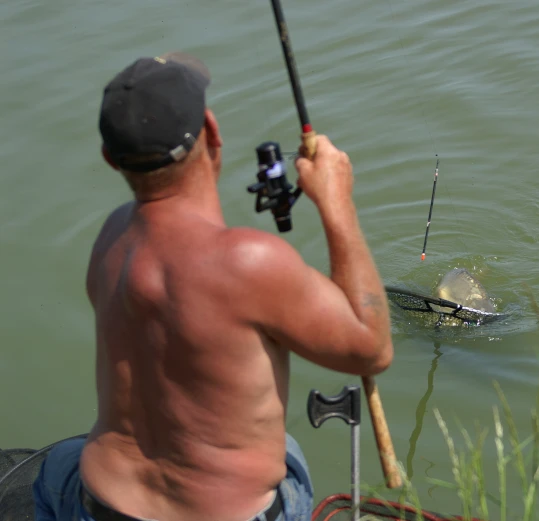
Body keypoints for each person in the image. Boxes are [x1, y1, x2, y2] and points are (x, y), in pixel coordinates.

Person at [32, 51, 394, 521]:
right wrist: (336, 202)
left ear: (109, 158)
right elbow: (371, 350)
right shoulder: (249, 261)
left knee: (59, 466)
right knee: (289, 453)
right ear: (213, 131)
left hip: (99, 505)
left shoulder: (111, 238)